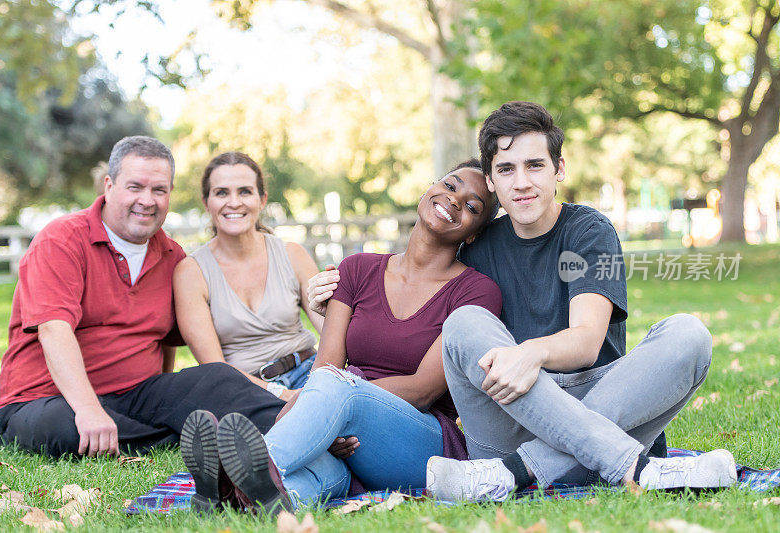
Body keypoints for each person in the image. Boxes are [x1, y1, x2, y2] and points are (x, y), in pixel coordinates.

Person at [310, 102, 737, 500]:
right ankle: (636, 468)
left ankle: (511, 474)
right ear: (491, 180)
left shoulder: (590, 233)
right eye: (506, 169)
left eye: (535, 165)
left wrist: (530, 352)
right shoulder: (476, 247)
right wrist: (331, 302)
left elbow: (587, 341)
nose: (522, 182)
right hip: (507, 419)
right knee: (465, 322)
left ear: (559, 169)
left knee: (688, 334)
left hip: (596, 406)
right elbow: (415, 316)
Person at [180, 159, 503, 513]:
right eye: (450, 186)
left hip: (419, 443)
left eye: (473, 206)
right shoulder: (357, 269)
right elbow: (326, 365)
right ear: (429, 188)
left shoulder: (476, 291)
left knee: (333, 385)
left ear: (474, 233)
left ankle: (237, 469)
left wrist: (337, 406)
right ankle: (232, 503)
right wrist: (324, 418)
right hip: (346, 432)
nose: (455, 200)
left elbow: (423, 390)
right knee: (315, 475)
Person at [0, 136, 284, 460]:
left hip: (135, 394)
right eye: (135, 187)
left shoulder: (172, 256)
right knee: (63, 427)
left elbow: (168, 340)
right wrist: (88, 409)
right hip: (44, 399)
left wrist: (165, 391)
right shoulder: (61, 240)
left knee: (217, 378)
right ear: (109, 185)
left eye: (159, 190)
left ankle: (297, 423)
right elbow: (53, 331)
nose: (147, 200)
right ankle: (178, 432)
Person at [172, 152, 323, 402]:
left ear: (262, 199)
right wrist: (282, 395)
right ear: (206, 202)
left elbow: (332, 331)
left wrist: (319, 383)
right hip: (241, 389)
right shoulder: (191, 272)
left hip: (309, 371)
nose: (234, 202)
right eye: (221, 193)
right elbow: (214, 365)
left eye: (244, 191)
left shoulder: (291, 254)